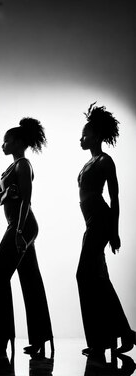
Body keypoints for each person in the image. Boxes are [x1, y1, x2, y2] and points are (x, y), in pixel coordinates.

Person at [0, 118, 53, 357]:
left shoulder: (23, 165)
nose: (2, 144)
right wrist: (6, 193)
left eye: (6, 140)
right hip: (18, 225)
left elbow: (27, 199)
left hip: (22, 226)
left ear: (17, 142)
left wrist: (17, 232)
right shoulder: (10, 168)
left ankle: (3, 339)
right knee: (30, 279)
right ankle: (41, 338)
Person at [76, 103, 135, 356]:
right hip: (92, 222)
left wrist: (115, 231)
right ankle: (120, 335)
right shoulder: (90, 161)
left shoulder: (104, 160)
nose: (81, 138)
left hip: (100, 221)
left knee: (84, 276)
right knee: (99, 278)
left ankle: (102, 340)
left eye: (85, 135)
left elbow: (115, 197)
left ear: (98, 137)